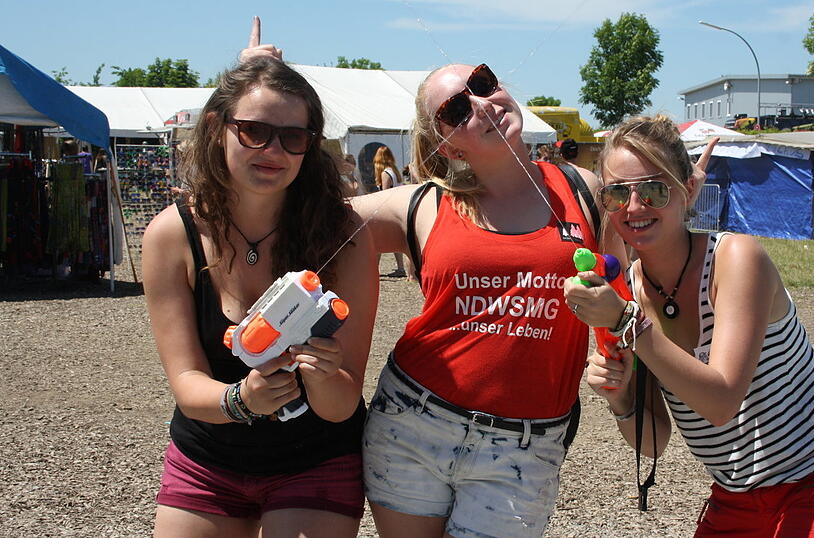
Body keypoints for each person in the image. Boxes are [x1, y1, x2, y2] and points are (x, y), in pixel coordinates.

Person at [240, 20, 623, 534]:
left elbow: (624, 290)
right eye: (456, 110)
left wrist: (622, 363)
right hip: (413, 424)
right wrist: (258, 88)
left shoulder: (584, 190)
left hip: (527, 444)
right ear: (446, 146)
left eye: (484, 84)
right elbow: (296, 208)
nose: (482, 104)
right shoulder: (421, 204)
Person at [565, 115, 814, 537]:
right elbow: (655, 441)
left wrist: (627, 324)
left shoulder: (735, 259)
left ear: (689, 190)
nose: (635, 207)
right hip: (737, 493)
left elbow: (721, 401)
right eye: (617, 194)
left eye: (655, 190)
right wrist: (621, 398)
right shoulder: (630, 297)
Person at [141, 56, 378, 537]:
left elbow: (342, 402)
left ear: (310, 147)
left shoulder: (343, 235)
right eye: (254, 130)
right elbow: (187, 383)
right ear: (216, 128)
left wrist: (323, 374)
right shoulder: (172, 234)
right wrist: (242, 399)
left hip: (316, 457)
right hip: (208, 456)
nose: (274, 149)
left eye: (294, 137)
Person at [373, 145, 409, 277]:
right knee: (394, 241)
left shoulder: (385, 173)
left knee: (377, 240)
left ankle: (374, 269)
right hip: (396, 208)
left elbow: (385, 193)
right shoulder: (394, 171)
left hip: (387, 209)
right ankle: (400, 268)